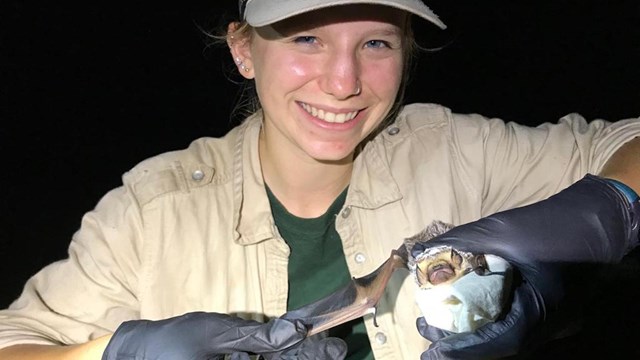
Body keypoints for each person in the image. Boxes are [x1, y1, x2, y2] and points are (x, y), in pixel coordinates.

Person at [1, 0, 639, 359]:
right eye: (307, 37)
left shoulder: (453, 150)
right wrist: (112, 355)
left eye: (377, 44)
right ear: (244, 50)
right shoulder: (152, 210)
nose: (343, 82)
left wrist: (609, 208)